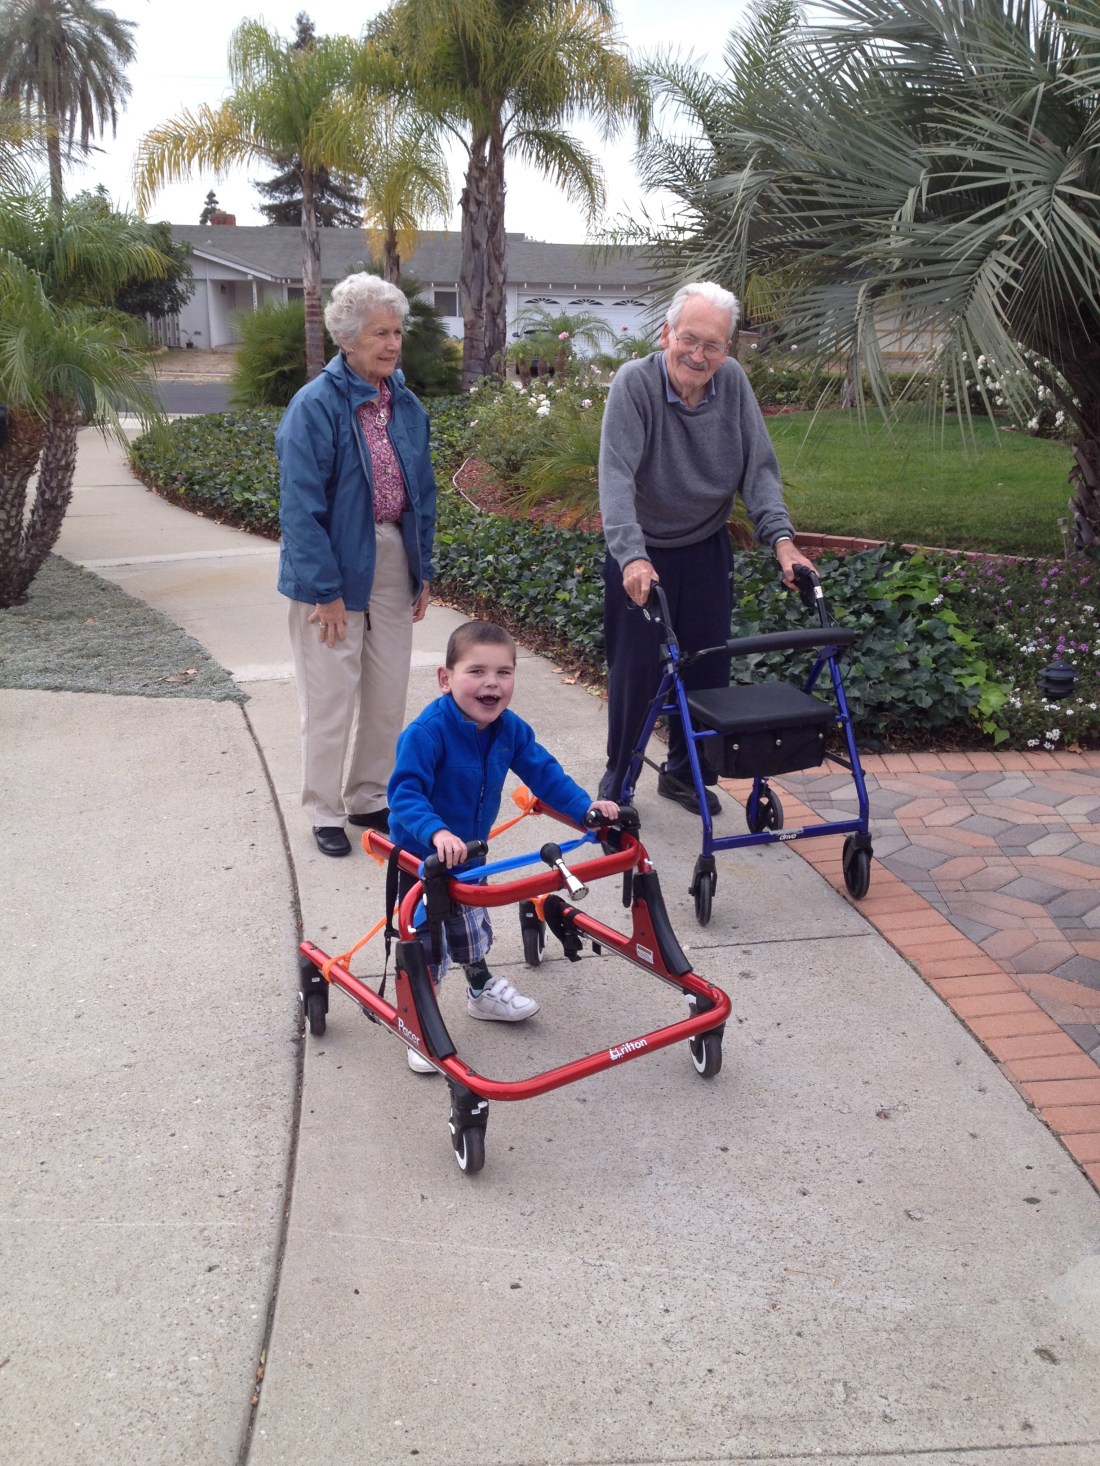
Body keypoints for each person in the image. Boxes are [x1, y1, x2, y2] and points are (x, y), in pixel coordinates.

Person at [597, 281, 817, 813]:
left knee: (706, 668)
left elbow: (759, 469)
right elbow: (616, 477)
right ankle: (618, 780)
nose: (698, 355)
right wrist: (632, 555)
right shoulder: (635, 384)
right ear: (666, 334)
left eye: (712, 345)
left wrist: (783, 542)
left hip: (705, 545)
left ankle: (684, 774)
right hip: (643, 551)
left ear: (727, 349)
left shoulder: (732, 383)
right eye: (689, 340)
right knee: (636, 673)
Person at [388, 619, 619, 1072]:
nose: (491, 683)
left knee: (471, 931)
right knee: (428, 945)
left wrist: (585, 809)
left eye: (503, 672)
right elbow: (405, 793)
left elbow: (545, 774)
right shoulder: (426, 733)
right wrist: (436, 832)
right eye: (476, 671)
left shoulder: (510, 730)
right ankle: (420, 1019)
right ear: (445, 678)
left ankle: (480, 991)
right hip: (423, 860)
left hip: (469, 857)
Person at [276, 273, 437, 858]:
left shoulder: (405, 403)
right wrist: (325, 591)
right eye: (379, 334)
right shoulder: (314, 406)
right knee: (330, 696)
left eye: (397, 332)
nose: (392, 344)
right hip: (333, 564)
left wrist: (422, 571)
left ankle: (369, 796)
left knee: (388, 690)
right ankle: (324, 809)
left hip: (392, 554)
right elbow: (300, 509)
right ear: (346, 339)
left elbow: (423, 492)